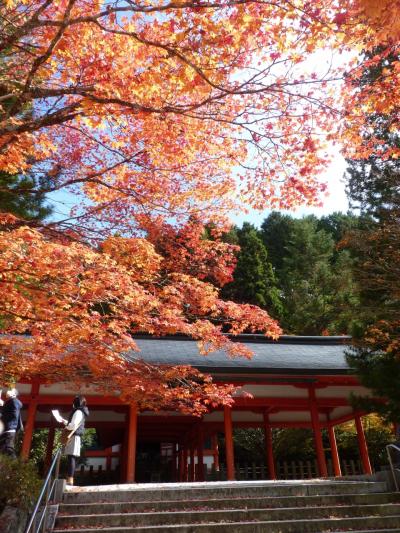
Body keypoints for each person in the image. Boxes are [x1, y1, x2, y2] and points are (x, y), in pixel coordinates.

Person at [61, 395, 89, 486]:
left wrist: (67, 425)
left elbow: (73, 425)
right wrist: (66, 422)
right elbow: (74, 424)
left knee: (71, 457)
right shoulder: (81, 411)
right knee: (71, 457)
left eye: (74, 402)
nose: (72, 404)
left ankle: (70, 479)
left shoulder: (78, 411)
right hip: (76, 436)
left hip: (74, 435)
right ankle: (70, 478)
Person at [0, 388, 23, 458]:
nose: (7, 391)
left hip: (9, 428)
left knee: (8, 449)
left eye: (10, 390)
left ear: (14, 394)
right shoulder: (11, 402)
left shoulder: (14, 401)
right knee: (4, 449)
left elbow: (13, 415)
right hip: (8, 429)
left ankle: (14, 466)